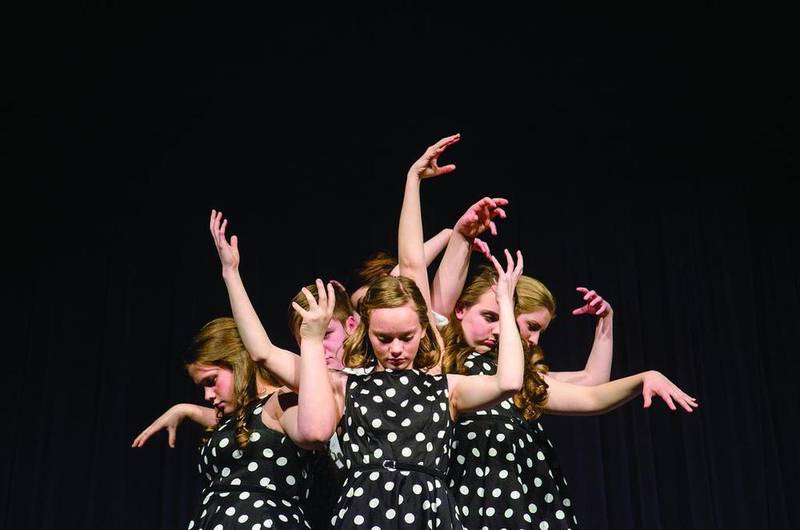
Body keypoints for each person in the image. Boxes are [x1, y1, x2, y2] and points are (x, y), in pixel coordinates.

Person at [133, 317, 314, 529]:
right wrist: (184, 410)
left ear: (237, 362)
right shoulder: (242, 416)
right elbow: (249, 422)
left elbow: (312, 432)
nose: (207, 395)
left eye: (211, 381)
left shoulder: (281, 401)